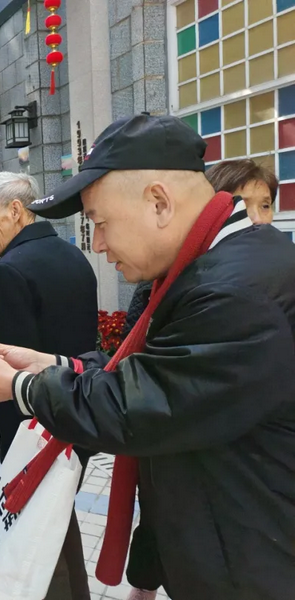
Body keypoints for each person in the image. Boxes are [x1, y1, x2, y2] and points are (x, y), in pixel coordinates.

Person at [0, 114, 295, 599]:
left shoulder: (235, 290)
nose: (99, 245)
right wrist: (54, 365)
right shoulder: (205, 269)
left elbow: (145, 404)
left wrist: (20, 386)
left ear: (159, 202)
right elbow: (153, 372)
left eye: (100, 224)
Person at [123, 157, 280, 600]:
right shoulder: (166, 286)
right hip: (180, 480)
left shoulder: (265, 286)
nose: (255, 218)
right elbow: (141, 374)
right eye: (242, 205)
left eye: (265, 205)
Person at [0, 171, 97, 600]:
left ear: (15, 210)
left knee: (40, 534)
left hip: (37, 427)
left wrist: (13, 459)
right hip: (80, 409)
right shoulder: (73, 255)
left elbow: (12, 377)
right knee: (59, 519)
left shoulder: (11, 270)